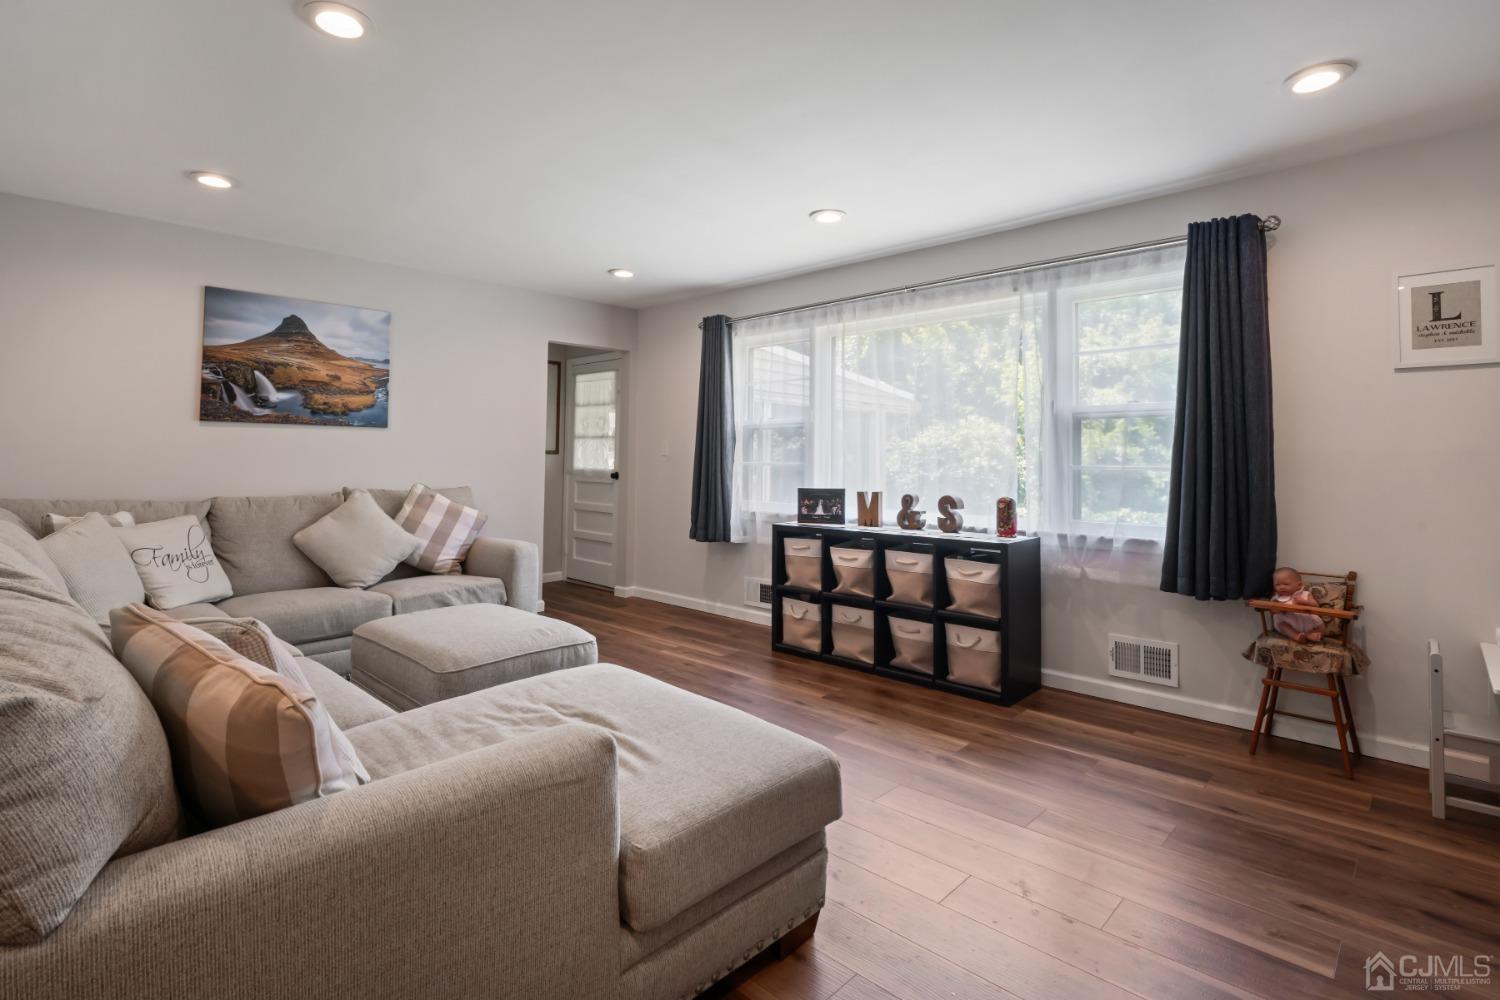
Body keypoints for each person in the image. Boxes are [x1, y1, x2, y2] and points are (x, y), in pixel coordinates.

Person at [1270, 567, 1324, 643]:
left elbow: (1315, 606)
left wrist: (1304, 602)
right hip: (1288, 623)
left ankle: (1308, 635)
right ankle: (1297, 636)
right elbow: (1273, 611)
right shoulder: (1277, 598)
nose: (1281, 587)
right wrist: (1280, 608)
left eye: (1286, 584)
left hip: (1308, 621)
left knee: (1321, 628)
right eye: (1277, 585)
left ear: (1299, 585)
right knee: (1282, 625)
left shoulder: (1305, 594)